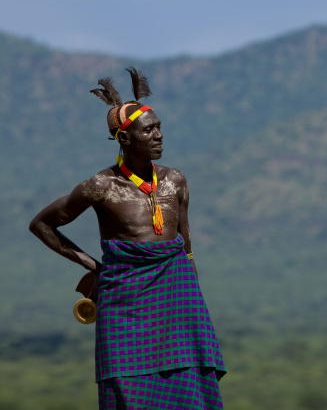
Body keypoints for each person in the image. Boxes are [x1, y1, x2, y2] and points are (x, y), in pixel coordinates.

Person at [29, 67, 226, 410]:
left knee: (189, 379)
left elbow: (186, 240)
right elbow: (42, 224)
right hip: (124, 298)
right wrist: (94, 266)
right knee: (125, 381)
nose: (159, 135)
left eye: (159, 127)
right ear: (124, 139)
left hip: (177, 293)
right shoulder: (100, 186)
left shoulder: (175, 180)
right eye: (148, 130)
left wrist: (191, 294)